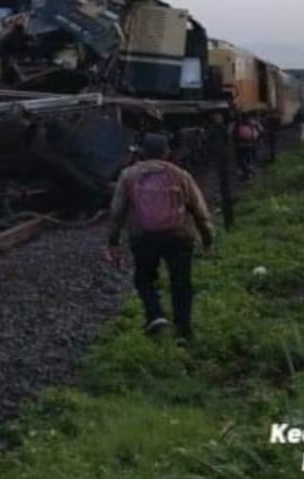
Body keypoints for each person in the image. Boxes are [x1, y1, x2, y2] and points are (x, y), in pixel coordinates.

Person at [104, 133, 213, 341]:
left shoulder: (128, 175)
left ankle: (155, 314)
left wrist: (113, 242)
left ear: (142, 152)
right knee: (181, 282)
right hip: (179, 235)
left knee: (144, 278)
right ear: (167, 152)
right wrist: (207, 238)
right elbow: (200, 210)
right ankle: (183, 331)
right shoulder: (181, 175)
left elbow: (117, 211)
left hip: (143, 236)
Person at [232, 113, 260, 181]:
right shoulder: (251, 124)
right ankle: (250, 170)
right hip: (250, 144)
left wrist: (235, 143)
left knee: (241, 159)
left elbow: (234, 135)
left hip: (240, 145)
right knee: (249, 158)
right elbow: (255, 134)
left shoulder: (237, 125)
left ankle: (247, 171)